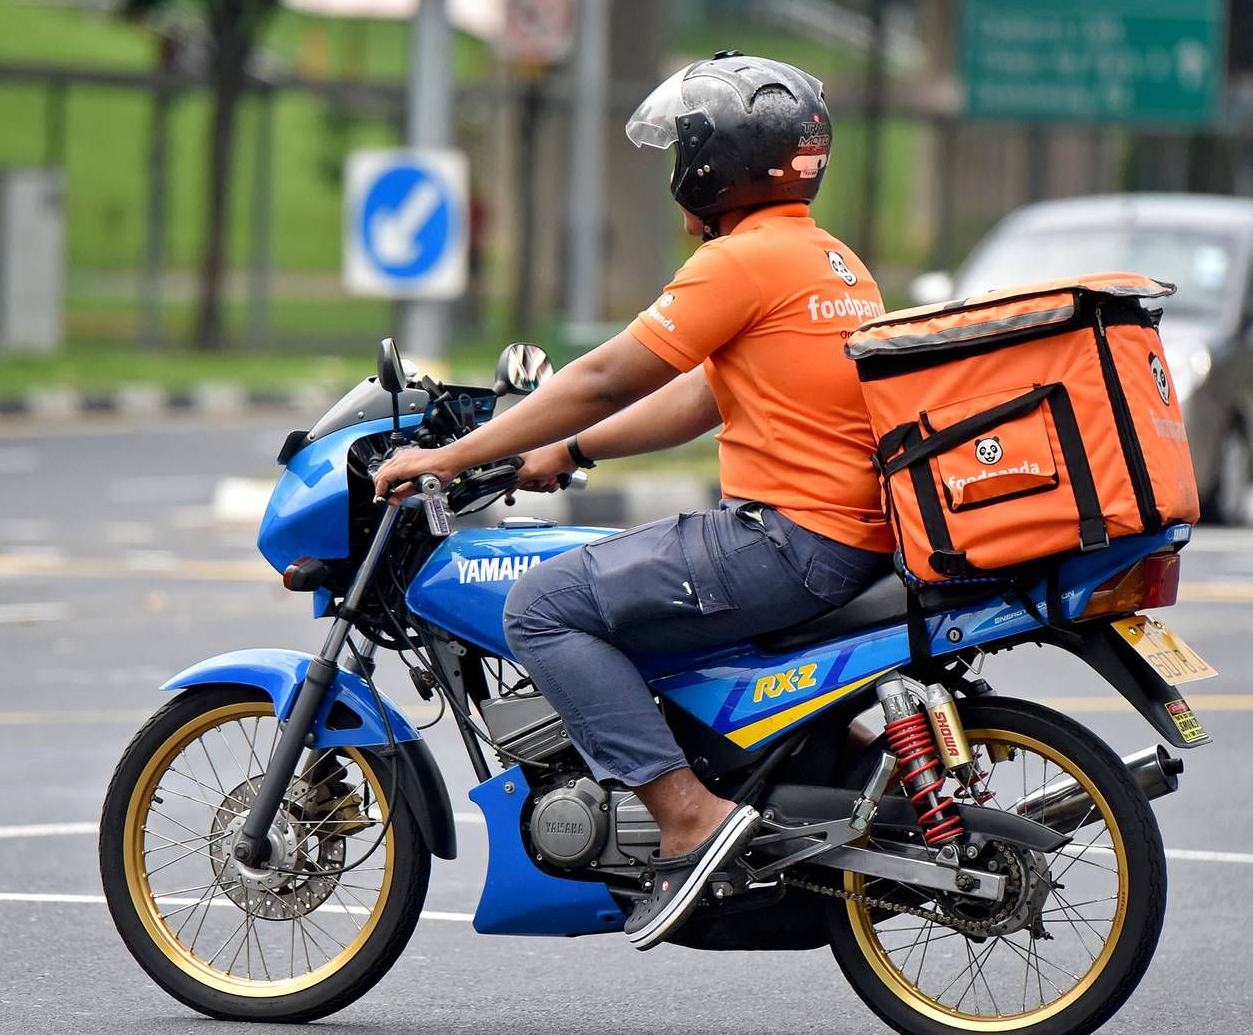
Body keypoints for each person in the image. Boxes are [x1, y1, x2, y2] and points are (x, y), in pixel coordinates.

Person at [374, 53, 893, 950]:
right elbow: (702, 396)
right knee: (622, 592)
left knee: (543, 607)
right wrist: (566, 450)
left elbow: (609, 374)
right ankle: (798, 773)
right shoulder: (829, 262)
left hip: (786, 541)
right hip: (841, 544)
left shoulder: (740, 262)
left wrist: (451, 454)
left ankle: (684, 817)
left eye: (682, 148)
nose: (673, 170)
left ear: (713, 163)